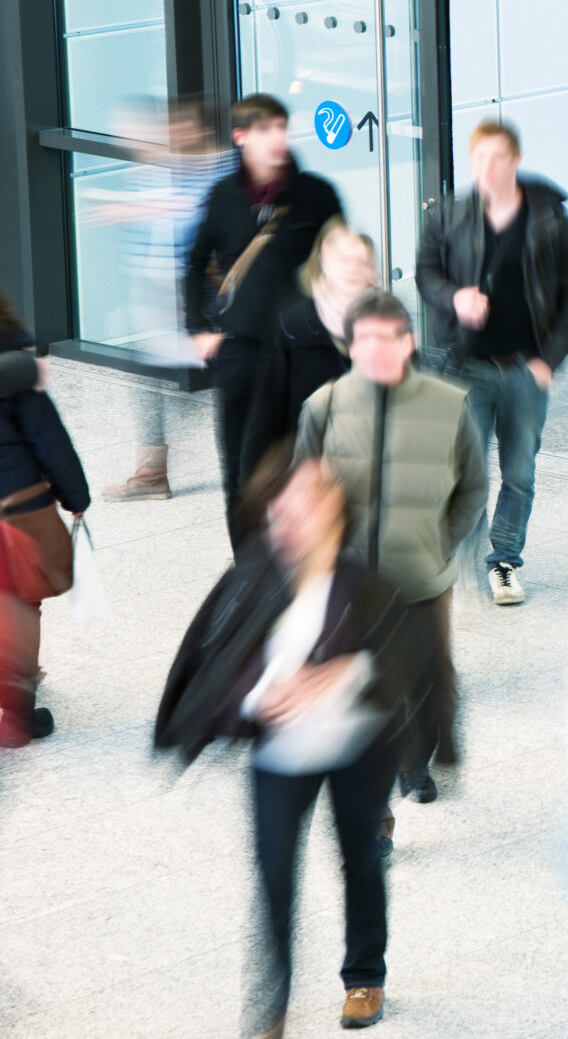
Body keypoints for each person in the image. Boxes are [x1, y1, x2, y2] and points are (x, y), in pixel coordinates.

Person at [154, 458, 419, 1036]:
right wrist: (259, 700)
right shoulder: (252, 578)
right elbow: (213, 668)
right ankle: (271, 1007)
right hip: (280, 753)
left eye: (304, 503)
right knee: (274, 874)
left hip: (358, 747)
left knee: (360, 858)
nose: (288, 516)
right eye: (282, 505)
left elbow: (401, 666)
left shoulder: (362, 582)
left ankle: (364, 977)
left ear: (332, 511)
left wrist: (340, 673)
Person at [293, 289, 487, 807]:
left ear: (409, 342)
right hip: (352, 582)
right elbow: (303, 491)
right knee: (364, 688)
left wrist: (441, 542)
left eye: (388, 337)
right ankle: (377, 814)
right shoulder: (324, 406)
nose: (376, 349)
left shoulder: (450, 406)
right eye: (366, 339)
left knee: (425, 680)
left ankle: (415, 762)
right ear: (350, 346)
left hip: (423, 577)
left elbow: (473, 487)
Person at [416, 120, 568, 606]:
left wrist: (549, 359)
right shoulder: (449, 216)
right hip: (463, 367)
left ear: (515, 161)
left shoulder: (552, 222)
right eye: (479, 160)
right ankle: (462, 559)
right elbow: (426, 273)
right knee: (465, 471)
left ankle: (506, 561)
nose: (486, 170)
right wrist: (455, 299)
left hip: (523, 370)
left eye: (497, 159)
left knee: (519, 472)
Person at [184, 94, 344, 545]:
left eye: (282, 127)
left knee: (308, 457)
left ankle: (311, 557)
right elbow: (195, 264)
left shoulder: (315, 194)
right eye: (266, 129)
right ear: (241, 137)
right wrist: (199, 329)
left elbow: (343, 261)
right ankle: (249, 568)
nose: (279, 138)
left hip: (306, 349)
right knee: (239, 464)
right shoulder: (222, 197)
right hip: (243, 348)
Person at [91, 98, 231, 501]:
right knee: (149, 384)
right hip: (158, 299)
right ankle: (152, 475)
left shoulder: (224, 171)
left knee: (228, 380)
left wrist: (143, 208)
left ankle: (246, 467)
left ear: (202, 129)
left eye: (182, 125)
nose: (173, 133)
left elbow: (201, 223)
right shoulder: (155, 172)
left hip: (208, 299)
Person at [0, 287, 90, 747]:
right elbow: (46, 436)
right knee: (20, 602)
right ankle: (16, 707)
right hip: (17, 502)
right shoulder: (14, 362)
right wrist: (77, 496)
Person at [239, 221, 378, 494]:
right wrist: (253, 484)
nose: (352, 268)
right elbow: (267, 410)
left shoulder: (388, 323)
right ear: (323, 260)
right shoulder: (294, 326)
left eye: (361, 261)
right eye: (343, 259)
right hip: (311, 476)